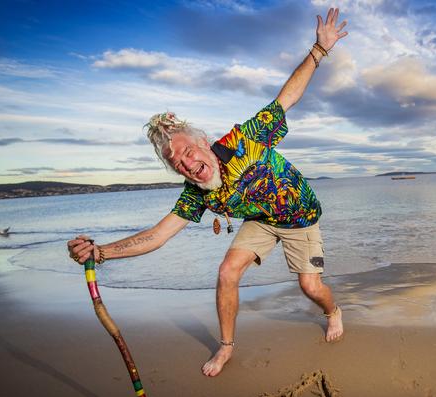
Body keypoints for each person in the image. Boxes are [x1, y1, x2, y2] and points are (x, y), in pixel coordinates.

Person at [67, 7, 348, 377]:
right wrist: (101, 253)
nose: (185, 162)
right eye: (175, 162)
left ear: (203, 141)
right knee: (227, 271)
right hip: (261, 221)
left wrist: (319, 50)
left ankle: (333, 312)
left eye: (187, 150)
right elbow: (158, 235)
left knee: (310, 287)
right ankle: (227, 347)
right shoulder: (196, 192)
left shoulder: (243, 141)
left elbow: (286, 99)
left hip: (299, 218)